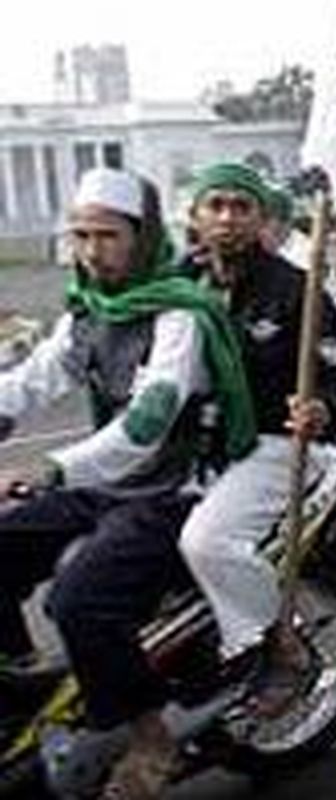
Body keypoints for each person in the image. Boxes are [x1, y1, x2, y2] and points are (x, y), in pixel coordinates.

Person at [0, 167, 255, 798]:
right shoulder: (89, 309)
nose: (91, 250)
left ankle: (149, 736)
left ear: (141, 238)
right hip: (102, 484)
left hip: (170, 490)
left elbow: (147, 423)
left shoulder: (178, 315)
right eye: (81, 235)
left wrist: (53, 468)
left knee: (79, 599)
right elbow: (32, 381)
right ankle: (24, 682)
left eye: (107, 236)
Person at [175, 162, 336, 715]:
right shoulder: (175, 285)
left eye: (241, 207)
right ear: (196, 216)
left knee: (207, 542)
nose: (228, 218)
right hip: (196, 451)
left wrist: (321, 408)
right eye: (217, 206)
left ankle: (283, 651)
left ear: (261, 218)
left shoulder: (296, 292)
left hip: (274, 447)